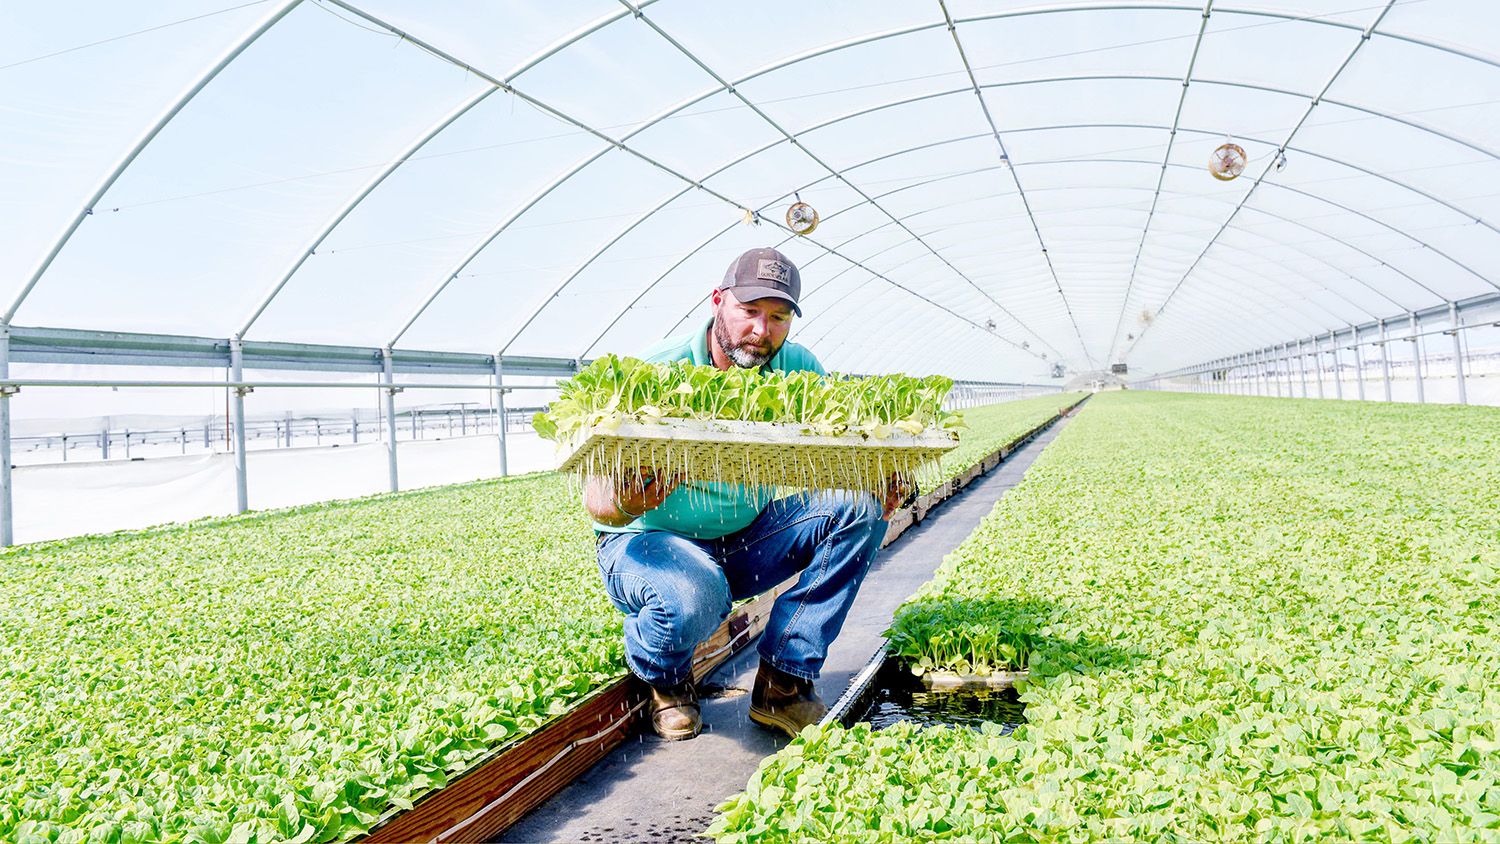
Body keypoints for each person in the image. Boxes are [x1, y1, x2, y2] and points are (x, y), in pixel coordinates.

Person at [583, 246, 910, 740]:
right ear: (718, 301)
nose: (762, 331)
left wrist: (885, 481)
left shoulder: (798, 370)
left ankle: (784, 681)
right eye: (750, 312)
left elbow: (844, 452)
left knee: (858, 508)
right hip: (649, 542)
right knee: (692, 591)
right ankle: (666, 680)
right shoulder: (654, 372)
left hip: (747, 542)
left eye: (778, 317)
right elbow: (596, 501)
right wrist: (628, 501)